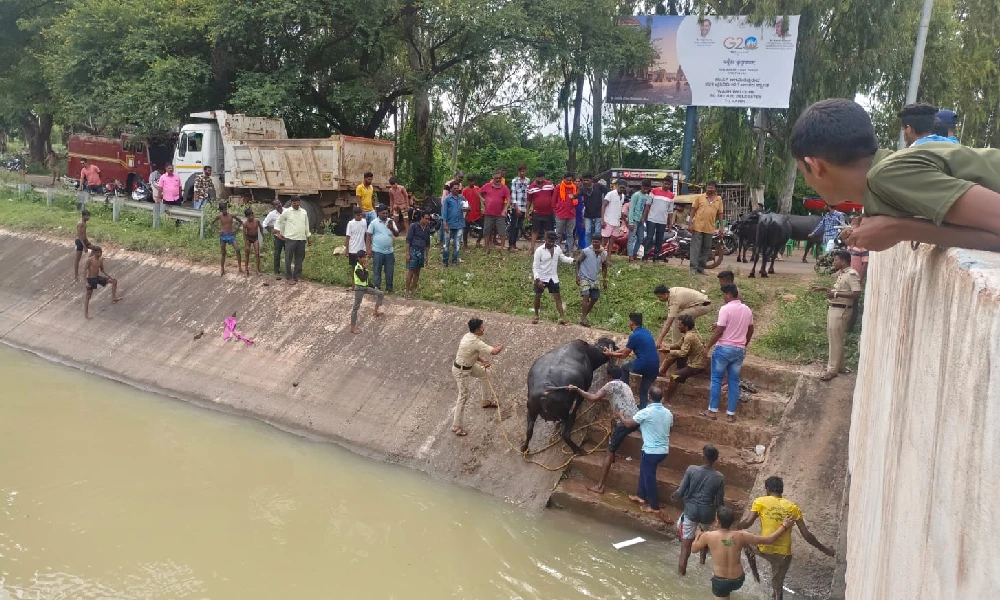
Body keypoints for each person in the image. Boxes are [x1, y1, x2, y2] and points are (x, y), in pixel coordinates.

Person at [790, 98, 1000, 252]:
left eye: (802, 171)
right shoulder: (888, 178)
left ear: (815, 166)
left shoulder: (887, 175)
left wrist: (899, 229)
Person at [739, 476, 835, 600]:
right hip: (783, 555)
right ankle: (770, 588)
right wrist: (826, 550)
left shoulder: (760, 501)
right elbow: (807, 535)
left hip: (763, 548)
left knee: (744, 539)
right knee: (777, 590)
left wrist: (736, 528)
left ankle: (755, 574)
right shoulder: (792, 507)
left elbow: (748, 522)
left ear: (767, 489)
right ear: (781, 490)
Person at [692, 506, 795, 599]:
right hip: (738, 580)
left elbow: (693, 549)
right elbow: (769, 540)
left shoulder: (708, 536)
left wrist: (698, 535)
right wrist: (784, 526)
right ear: (732, 521)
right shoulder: (741, 535)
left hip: (721, 582)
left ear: (717, 520)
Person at [564, 366, 636, 494]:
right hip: (635, 419)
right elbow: (614, 400)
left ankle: (600, 486)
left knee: (608, 452)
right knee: (613, 422)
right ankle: (613, 453)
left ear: (608, 376)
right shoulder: (625, 385)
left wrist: (577, 389)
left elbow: (593, 398)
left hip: (624, 423)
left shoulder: (610, 385)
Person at [617, 385, 673, 516]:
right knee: (644, 470)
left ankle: (654, 507)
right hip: (663, 450)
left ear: (649, 397)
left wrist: (620, 416)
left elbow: (629, 424)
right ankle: (640, 495)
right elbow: (669, 428)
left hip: (651, 451)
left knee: (649, 478)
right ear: (662, 398)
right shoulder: (668, 413)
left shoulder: (645, 412)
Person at [702, 284, 754, 422]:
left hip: (723, 348)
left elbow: (719, 331)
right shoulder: (747, 310)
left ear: (729, 294)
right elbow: (751, 330)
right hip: (739, 350)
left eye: (724, 295)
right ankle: (730, 414)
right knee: (733, 381)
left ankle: (712, 411)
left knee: (716, 379)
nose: (723, 298)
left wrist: (707, 347)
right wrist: (744, 344)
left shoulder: (725, 309)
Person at [673, 445, 726, 576]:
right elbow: (719, 502)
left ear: (703, 457)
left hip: (691, 511)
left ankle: (681, 574)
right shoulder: (719, 477)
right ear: (716, 459)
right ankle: (702, 561)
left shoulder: (691, 469)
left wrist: (674, 496)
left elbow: (680, 491)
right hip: (708, 513)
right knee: (704, 535)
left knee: (685, 546)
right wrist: (720, 516)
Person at [810, 249, 862, 381]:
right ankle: (840, 366)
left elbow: (856, 293)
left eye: (836, 260)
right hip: (834, 308)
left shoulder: (851, 274)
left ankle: (832, 370)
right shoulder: (842, 274)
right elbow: (841, 290)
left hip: (841, 310)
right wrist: (827, 290)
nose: (834, 262)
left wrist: (836, 294)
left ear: (843, 261)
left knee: (835, 340)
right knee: (835, 338)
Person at [451, 318, 505, 436]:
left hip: (468, 365)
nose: (483, 328)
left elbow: (472, 352)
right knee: (463, 396)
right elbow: (494, 352)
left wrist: (482, 360)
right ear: (476, 330)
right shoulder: (475, 341)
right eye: (481, 327)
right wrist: (501, 346)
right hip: (461, 371)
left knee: (485, 373)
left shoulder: (468, 336)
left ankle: (486, 401)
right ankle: (456, 426)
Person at [604, 312, 660, 408]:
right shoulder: (646, 332)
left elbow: (624, 355)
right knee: (644, 390)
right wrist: (615, 351)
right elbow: (626, 349)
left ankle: (625, 392)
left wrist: (611, 354)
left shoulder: (634, 336)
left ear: (631, 323)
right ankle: (642, 409)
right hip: (655, 367)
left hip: (644, 364)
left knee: (624, 367)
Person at [659, 314, 708, 399]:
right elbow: (678, 345)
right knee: (672, 355)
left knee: (674, 377)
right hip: (693, 361)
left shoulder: (689, 336)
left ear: (685, 326)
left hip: (696, 366)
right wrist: (667, 348)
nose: (678, 326)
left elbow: (682, 353)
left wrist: (668, 351)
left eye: (680, 325)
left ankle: (666, 399)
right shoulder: (690, 333)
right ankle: (662, 372)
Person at [532, 231, 575, 325]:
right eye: (550, 240)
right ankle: (536, 315)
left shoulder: (557, 248)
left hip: (553, 277)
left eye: (553, 241)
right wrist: (537, 279)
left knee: (557, 297)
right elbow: (535, 266)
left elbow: (563, 258)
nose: (551, 242)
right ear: (545, 239)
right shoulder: (539, 250)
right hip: (541, 277)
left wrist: (573, 260)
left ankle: (562, 318)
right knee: (538, 296)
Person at [274, 195, 312, 285]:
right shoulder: (287, 212)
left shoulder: (304, 212)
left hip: (301, 239)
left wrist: (308, 236)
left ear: (300, 202)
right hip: (290, 239)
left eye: (297, 202)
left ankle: (297, 276)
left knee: (299, 258)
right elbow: (278, 221)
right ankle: (288, 277)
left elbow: (306, 225)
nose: (296, 204)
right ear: (291, 203)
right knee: (288, 258)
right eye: (294, 202)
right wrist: (278, 233)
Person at [690, 182, 723, 274]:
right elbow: (693, 210)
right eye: (708, 187)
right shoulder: (700, 197)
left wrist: (721, 227)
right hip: (698, 226)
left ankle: (701, 268)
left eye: (711, 187)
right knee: (695, 249)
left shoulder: (718, 199)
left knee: (706, 249)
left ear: (715, 189)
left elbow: (720, 213)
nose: (709, 189)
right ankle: (693, 269)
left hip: (710, 228)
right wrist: (690, 223)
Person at [349, 250, 386, 334]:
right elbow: (362, 278)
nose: (365, 259)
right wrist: (366, 269)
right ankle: (352, 327)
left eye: (365, 257)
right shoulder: (357, 268)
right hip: (359, 289)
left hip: (365, 287)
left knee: (380, 293)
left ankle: (375, 311)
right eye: (363, 257)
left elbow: (365, 281)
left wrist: (373, 287)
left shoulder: (362, 266)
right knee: (355, 308)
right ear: (359, 258)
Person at [576, 236, 609, 327]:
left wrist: (604, 280)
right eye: (593, 242)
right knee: (585, 295)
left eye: (597, 242)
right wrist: (577, 276)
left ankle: (584, 315)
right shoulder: (586, 251)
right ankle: (583, 318)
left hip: (594, 278)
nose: (595, 244)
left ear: (600, 242)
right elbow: (578, 262)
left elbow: (604, 266)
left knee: (595, 298)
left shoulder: (603, 253)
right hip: (584, 277)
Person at [366, 204, 399, 292]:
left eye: (386, 213)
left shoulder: (391, 221)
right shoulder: (374, 223)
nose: (385, 215)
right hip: (377, 251)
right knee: (377, 270)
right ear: (378, 213)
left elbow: (396, 234)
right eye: (383, 213)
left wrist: (392, 228)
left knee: (390, 271)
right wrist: (368, 249)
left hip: (389, 252)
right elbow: (368, 236)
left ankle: (389, 288)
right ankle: (377, 287)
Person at [83, 246, 121, 318]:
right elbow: (84, 271)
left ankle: (113, 298)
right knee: (88, 296)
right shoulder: (90, 260)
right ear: (94, 253)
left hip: (97, 277)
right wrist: (86, 282)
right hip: (91, 279)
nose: (100, 254)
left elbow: (102, 270)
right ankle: (86, 313)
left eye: (101, 252)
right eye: (98, 252)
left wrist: (109, 276)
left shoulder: (100, 260)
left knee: (114, 281)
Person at [478, 171, 510, 255]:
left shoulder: (504, 188)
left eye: (499, 178)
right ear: (493, 178)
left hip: (500, 214)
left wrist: (505, 209)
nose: (498, 180)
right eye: (496, 178)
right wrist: (482, 199)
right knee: (486, 231)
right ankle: (487, 248)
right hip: (488, 213)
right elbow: (478, 192)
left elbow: (509, 199)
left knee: (502, 232)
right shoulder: (487, 186)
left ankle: (502, 249)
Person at [644, 181, 675, 262]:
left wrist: (670, 223)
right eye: (665, 183)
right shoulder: (654, 191)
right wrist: (645, 217)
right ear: (662, 183)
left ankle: (656, 257)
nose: (666, 185)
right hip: (651, 219)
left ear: (670, 185)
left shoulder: (671, 196)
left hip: (663, 221)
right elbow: (647, 205)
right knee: (649, 238)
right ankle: (646, 256)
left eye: (668, 184)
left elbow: (670, 211)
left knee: (659, 239)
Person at [211, 203, 243, 276]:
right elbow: (212, 223)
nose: (225, 211)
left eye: (225, 209)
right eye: (223, 210)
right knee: (223, 253)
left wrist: (235, 230)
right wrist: (218, 231)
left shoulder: (231, 215)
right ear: (221, 210)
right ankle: (222, 268)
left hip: (231, 235)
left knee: (237, 249)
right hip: (223, 236)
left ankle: (240, 267)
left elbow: (240, 222)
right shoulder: (219, 216)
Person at [405, 210, 431, 298]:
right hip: (413, 250)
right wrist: (407, 254)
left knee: (417, 272)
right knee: (411, 271)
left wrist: (427, 257)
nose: (428, 220)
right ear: (421, 218)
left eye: (429, 219)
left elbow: (427, 244)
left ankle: (414, 290)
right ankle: (407, 291)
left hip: (421, 251)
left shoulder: (427, 229)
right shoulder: (413, 226)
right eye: (426, 218)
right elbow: (408, 241)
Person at [527, 171, 556, 249]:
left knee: (547, 231)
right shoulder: (531, 187)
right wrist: (527, 213)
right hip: (536, 213)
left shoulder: (550, 185)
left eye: (542, 178)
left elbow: (554, 196)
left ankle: (547, 247)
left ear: (544, 177)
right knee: (534, 231)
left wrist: (555, 208)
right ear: (536, 178)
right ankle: (532, 248)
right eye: (539, 178)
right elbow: (529, 200)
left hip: (548, 212)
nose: (540, 180)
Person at [627, 180, 653, 262]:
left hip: (641, 221)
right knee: (631, 238)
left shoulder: (647, 196)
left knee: (640, 239)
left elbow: (646, 209)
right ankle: (630, 256)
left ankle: (635, 253)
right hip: (634, 220)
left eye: (647, 188)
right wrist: (630, 222)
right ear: (641, 186)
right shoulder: (636, 195)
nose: (645, 189)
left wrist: (643, 218)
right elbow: (631, 209)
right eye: (644, 188)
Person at [441, 183, 465, 268]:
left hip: (459, 225)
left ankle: (454, 261)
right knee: (446, 245)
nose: (456, 190)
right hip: (449, 225)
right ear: (450, 189)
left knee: (457, 245)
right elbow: (444, 212)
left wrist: (468, 209)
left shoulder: (462, 198)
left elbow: (467, 208)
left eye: (457, 188)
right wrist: (444, 223)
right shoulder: (447, 199)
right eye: (454, 188)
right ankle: (444, 262)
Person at [344, 206, 368, 290]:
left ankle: (363, 284)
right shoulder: (350, 224)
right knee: (353, 268)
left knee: (364, 267)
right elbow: (347, 237)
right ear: (354, 215)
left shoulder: (364, 222)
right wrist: (347, 250)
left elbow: (366, 235)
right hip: (353, 249)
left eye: (361, 215)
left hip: (362, 249)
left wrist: (368, 247)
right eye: (358, 215)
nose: (360, 216)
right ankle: (353, 285)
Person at [262, 199, 285, 280]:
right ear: (274, 206)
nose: (278, 205)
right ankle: (276, 271)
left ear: (281, 203)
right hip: (277, 237)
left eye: (279, 203)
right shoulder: (272, 214)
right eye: (276, 204)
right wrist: (271, 230)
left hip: (287, 236)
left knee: (288, 254)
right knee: (277, 254)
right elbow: (264, 224)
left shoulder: (287, 211)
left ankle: (288, 272)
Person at [508, 164, 530, 252]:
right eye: (520, 171)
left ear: (525, 171)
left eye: (523, 171)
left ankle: (515, 244)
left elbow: (528, 194)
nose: (522, 173)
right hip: (516, 207)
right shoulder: (514, 181)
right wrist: (516, 208)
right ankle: (511, 245)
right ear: (518, 172)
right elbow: (513, 195)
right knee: (513, 226)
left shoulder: (528, 180)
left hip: (524, 207)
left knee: (518, 227)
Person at [601, 180, 627, 245]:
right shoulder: (610, 194)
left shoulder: (623, 196)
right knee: (604, 241)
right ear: (617, 186)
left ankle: (609, 255)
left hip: (617, 222)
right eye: (620, 187)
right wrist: (602, 220)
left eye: (623, 188)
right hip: (608, 221)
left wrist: (624, 218)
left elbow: (619, 208)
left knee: (612, 242)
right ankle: (599, 255)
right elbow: (603, 206)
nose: (622, 189)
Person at [461, 175, 482, 249]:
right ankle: (465, 245)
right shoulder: (465, 190)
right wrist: (465, 215)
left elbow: (479, 201)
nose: (472, 182)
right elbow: (463, 203)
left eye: (473, 181)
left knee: (483, 228)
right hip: (468, 214)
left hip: (477, 213)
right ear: (468, 181)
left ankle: (478, 242)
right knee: (466, 230)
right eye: (470, 181)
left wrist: (480, 211)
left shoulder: (477, 189)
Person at [74, 210, 93, 282]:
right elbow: (79, 235)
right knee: (77, 259)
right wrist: (84, 245)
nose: (88, 217)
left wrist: (87, 242)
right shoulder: (80, 224)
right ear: (83, 216)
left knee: (95, 249)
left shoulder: (85, 223)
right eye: (87, 216)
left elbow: (84, 234)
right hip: (80, 242)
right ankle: (76, 276)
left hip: (85, 241)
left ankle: (89, 266)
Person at [242, 209, 261, 276]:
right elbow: (244, 234)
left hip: (255, 238)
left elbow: (261, 228)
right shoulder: (245, 223)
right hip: (248, 238)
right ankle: (246, 270)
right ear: (246, 217)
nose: (251, 217)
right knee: (247, 253)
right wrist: (246, 244)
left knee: (257, 254)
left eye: (252, 215)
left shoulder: (257, 221)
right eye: (249, 216)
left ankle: (257, 270)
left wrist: (262, 236)